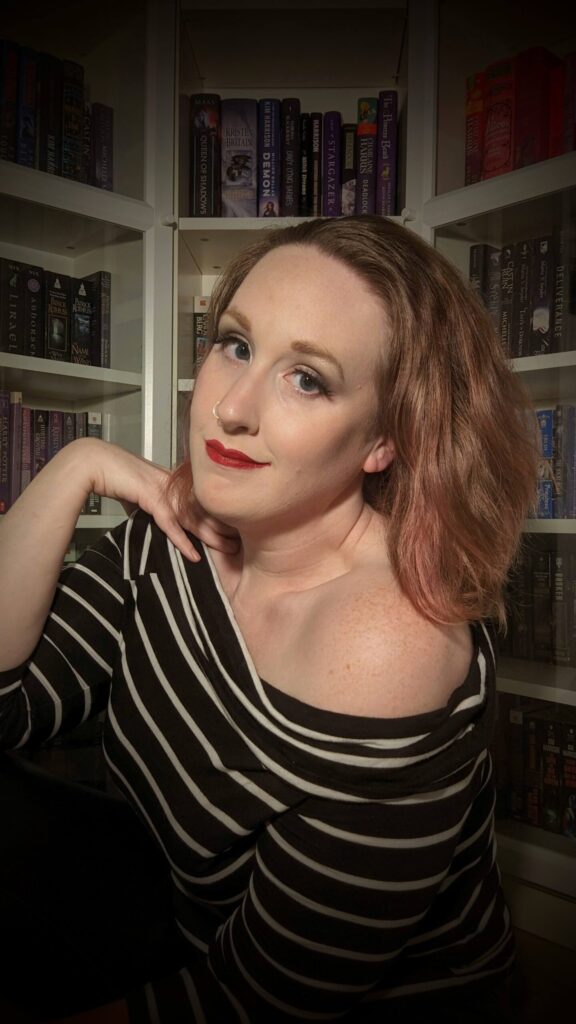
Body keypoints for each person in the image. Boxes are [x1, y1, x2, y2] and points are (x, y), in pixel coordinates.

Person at [0, 215, 538, 1024]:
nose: (231, 408)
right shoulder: (173, 529)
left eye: (308, 379)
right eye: (237, 345)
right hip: (187, 924)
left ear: (383, 442)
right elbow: (9, 706)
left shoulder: (388, 647)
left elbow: (263, 998)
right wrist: (74, 465)